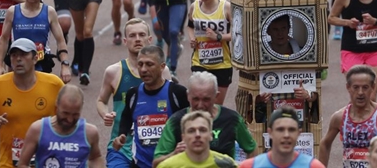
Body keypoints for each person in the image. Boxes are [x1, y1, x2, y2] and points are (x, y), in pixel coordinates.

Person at [0, 38, 64, 168]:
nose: (18, 59)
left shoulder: (53, 84)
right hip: (9, 164)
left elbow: (72, 117)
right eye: (14, 55)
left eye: (23, 54)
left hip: (46, 162)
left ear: (35, 59)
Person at [97, 18, 172, 168]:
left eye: (141, 35)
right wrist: (105, 113)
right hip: (121, 147)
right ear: (125, 40)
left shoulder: (163, 72)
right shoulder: (114, 72)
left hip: (155, 147)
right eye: (132, 36)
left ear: (150, 39)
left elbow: (173, 105)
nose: (137, 39)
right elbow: (101, 100)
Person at [153, 72, 257, 167]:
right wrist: (174, 154)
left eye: (206, 99)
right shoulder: (176, 121)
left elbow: (252, 148)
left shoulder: (231, 119)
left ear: (216, 96)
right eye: (195, 99)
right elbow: (157, 163)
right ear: (188, 96)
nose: (200, 105)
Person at [113, 46, 189, 168]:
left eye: (149, 64)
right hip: (140, 163)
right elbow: (126, 117)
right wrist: (121, 134)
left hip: (171, 163)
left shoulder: (177, 93)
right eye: (140, 64)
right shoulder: (133, 94)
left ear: (162, 67)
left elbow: (190, 122)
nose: (143, 69)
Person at [319, 65, 377, 168]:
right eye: (356, 87)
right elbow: (325, 144)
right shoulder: (339, 117)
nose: (360, 92)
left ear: (373, 87)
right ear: (348, 87)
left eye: (365, 87)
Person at [0, 0, 71, 82]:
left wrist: (65, 65)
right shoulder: (12, 11)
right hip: (18, 64)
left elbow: (60, 40)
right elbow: (3, 39)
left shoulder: (49, 12)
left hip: (41, 64)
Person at [16, 85, 104, 168]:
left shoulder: (90, 133)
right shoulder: (38, 129)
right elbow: (22, 164)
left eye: (75, 114)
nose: (70, 119)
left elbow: (95, 158)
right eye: (65, 113)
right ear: (57, 105)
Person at [185, 0, 232, 104]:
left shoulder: (226, 8)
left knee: (217, 106)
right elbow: (189, 27)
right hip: (200, 62)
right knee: (199, 103)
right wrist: (192, 38)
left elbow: (237, 33)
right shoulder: (194, 7)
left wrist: (218, 37)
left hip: (222, 63)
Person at [242, 106, 325, 168]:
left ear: (299, 133)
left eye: (291, 130)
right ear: (270, 132)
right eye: (280, 129)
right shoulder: (250, 166)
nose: (286, 135)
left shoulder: (313, 166)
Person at [157, 110, 237, 168]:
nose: (197, 135)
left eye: (202, 130)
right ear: (183, 137)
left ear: (211, 135)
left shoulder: (227, 164)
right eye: (191, 131)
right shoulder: (167, 166)